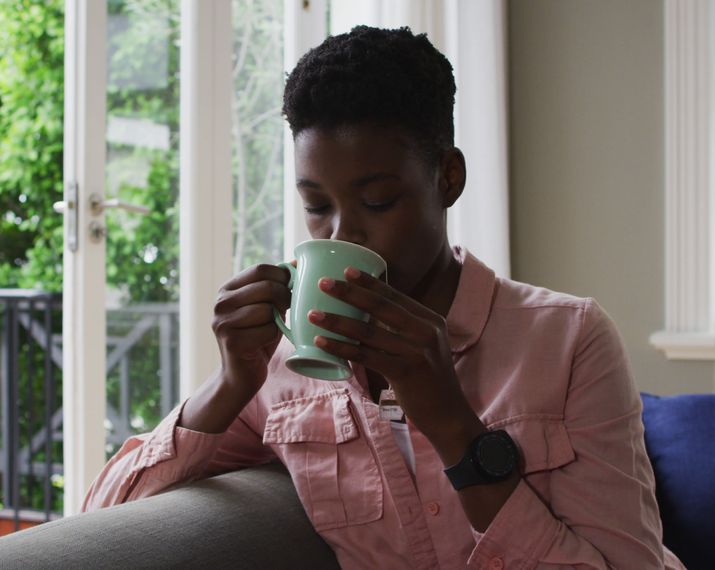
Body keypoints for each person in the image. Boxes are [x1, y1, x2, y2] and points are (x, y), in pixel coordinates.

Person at [83, 26, 684, 570]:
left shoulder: (567, 339)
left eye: (377, 202)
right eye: (317, 206)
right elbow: (101, 526)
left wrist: (455, 428)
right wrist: (229, 384)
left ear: (448, 178)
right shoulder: (282, 365)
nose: (342, 234)